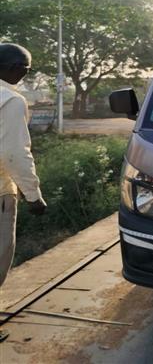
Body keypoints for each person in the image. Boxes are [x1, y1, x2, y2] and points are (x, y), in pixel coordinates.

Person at [0, 44, 47, 342]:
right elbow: (14, 153)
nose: (24, 75)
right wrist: (33, 194)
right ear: (14, 68)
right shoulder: (10, 100)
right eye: (25, 70)